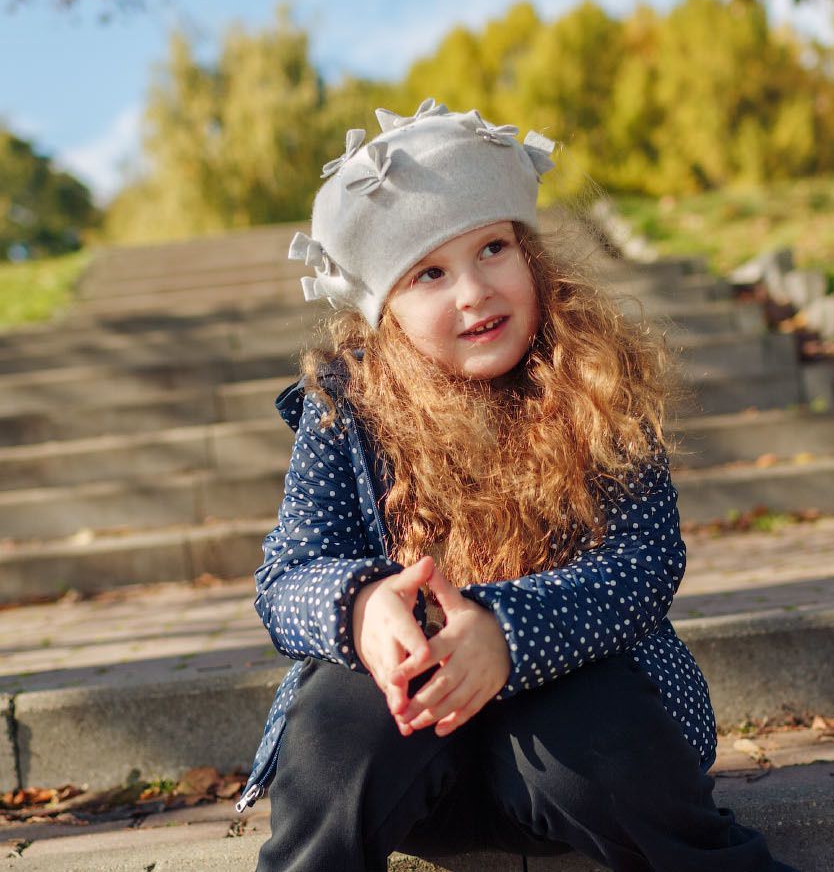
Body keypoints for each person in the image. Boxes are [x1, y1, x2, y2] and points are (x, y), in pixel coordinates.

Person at [241, 100, 792, 871]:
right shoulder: (348, 406)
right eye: (429, 272)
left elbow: (643, 561)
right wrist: (363, 607)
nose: (473, 291)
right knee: (339, 717)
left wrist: (506, 632)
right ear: (385, 312)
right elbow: (286, 573)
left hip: (567, 750)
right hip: (414, 755)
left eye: (492, 248)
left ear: (530, 253)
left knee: (592, 714)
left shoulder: (598, 383)